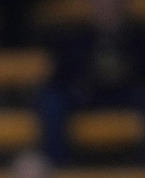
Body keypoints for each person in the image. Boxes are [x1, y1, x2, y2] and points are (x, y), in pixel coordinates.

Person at [37, 0, 145, 165]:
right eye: (102, 4)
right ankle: (59, 166)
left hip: (128, 95)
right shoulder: (76, 40)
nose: (107, 9)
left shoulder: (138, 40)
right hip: (87, 97)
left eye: (112, 4)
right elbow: (58, 79)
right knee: (52, 101)